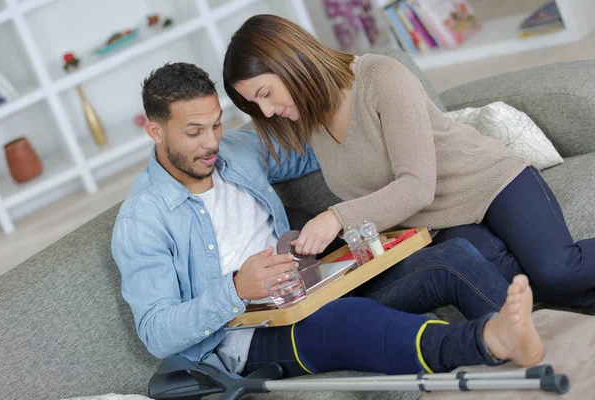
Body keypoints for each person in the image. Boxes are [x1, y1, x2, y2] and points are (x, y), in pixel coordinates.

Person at [111, 61, 544, 379]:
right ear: (155, 132)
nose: (211, 143)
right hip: (249, 334)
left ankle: (534, 343)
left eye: (216, 125)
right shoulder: (142, 220)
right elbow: (156, 332)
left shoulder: (236, 152)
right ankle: (489, 341)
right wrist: (236, 290)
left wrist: (389, 116)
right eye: (193, 133)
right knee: (350, 323)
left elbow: (315, 146)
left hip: (312, 287)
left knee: (453, 260)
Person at [222, 14, 595, 310]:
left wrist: (336, 216)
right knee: (507, 286)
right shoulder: (304, 118)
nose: (268, 110)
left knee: (558, 273)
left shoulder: (380, 77)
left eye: (265, 94)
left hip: (491, 182)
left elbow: (417, 185)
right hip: (438, 224)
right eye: (256, 107)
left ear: (291, 61)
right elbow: (246, 152)